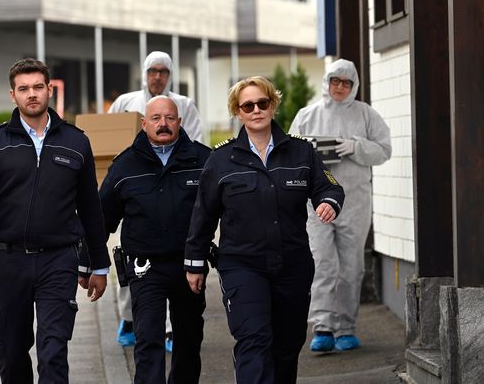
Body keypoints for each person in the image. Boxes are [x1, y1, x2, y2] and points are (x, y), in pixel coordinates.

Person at [0, 58, 111, 383]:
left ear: (49, 90)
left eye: (38, 87)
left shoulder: (76, 142)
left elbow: (90, 209)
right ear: (12, 95)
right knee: (11, 352)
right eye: (23, 88)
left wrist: (99, 264)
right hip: (9, 262)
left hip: (59, 260)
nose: (32, 94)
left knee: (53, 350)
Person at [185, 76, 345, 383]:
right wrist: (194, 264)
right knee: (253, 339)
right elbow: (203, 215)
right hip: (242, 265)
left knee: (287, 346)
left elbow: (329, 187)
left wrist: (328, 202)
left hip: (293, 265)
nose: (256, 110)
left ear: (273, 105)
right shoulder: (221, 160)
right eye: (248, 106)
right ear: (238, 112)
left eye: (262, 103)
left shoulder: (301, 152)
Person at [99, 96, 210, 384]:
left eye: (170, 118)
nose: (163, 124)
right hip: (144, 267)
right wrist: (92, 266)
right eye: (156, 118)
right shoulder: (125, 165)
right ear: (144, 123)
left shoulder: (203, 160)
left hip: (190, 266)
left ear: (179, 122)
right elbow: (102, 220)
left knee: (189, 338)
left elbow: (226, 211)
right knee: (148, 338)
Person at [288, 58, 391, 352]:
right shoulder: (307, 115)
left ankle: (346, 327)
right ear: (327, 82)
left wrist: (357, 147)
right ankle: (322, 326)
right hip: (317, 202)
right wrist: (308, 149)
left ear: (354, 85)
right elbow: (288, 153)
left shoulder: (365, 114)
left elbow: (384, 150)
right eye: (335, 81)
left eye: (346, 82)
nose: (340, 87)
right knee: (321, 262)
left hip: (354, 202)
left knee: (352, 266)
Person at [109, 50, 203, 350]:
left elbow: (196, 145)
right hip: (136, 193)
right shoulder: (125, 102)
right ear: (145, 73)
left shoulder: (184, 105)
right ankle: (129, 319)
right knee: (134, 261)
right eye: (152, 71)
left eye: (163, 71)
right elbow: (109, 140)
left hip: (176, 192)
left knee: (176, 267)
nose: (157, 77)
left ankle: (170, 330)